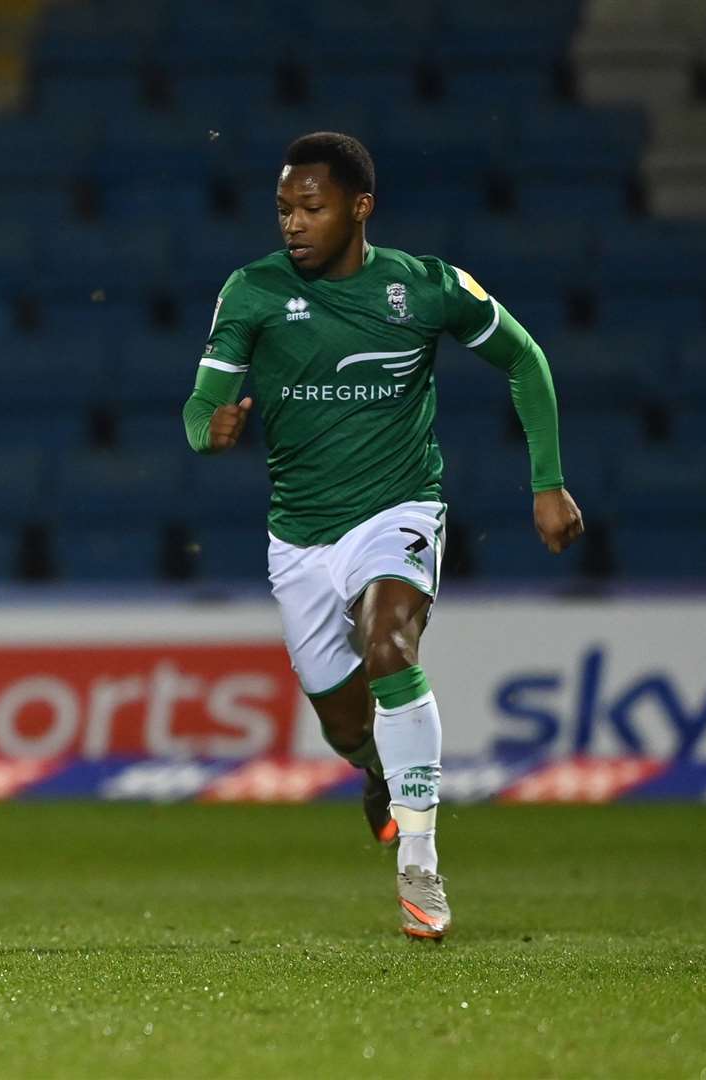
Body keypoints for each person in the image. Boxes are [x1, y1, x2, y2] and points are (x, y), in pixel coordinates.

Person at [183, 132, 584, 940]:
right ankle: (378, 772)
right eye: (284, 209)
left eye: (312, 207)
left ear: (360, 207)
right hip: (299, 538)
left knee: (390, 645)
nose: (293, 223)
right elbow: (199, 411)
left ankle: (422, 865)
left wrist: (547, 482)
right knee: (343, 725)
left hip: (398, 510)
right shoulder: (251, 293)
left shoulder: (423, 287)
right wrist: (211, 429)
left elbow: (525, 359)